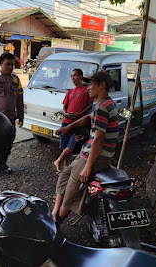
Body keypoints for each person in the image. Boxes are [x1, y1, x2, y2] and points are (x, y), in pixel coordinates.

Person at [51, 71, 119, 224]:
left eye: (92, 85)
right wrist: (68, 128)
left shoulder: (103, 107)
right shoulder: (104, 103)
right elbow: (89, 117)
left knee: (71, 191)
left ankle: (56, 222)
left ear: (102, 85)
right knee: (64, 175)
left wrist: (88, 168)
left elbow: (99, 139)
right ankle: (54, 213)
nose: (88, 88)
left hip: (96, 157)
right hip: (87, 153)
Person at [0, 52, 24, 177]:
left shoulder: (16, 80)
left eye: (12, 65)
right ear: (1, 64)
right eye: (7, 64)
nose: (10, 67)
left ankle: (3, 165)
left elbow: (19, 99)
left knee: (7, 144)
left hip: (10, 119)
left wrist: (21, 116)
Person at [53, 69, 93, 174]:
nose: (73, 78)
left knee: (72, 144)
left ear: (80, 76)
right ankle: (65, 167)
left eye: (75, 75)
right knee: (64, 145)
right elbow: (64, 106)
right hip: (66, 121)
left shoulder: (87, 90)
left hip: (79, 122)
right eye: (71, 76)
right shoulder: (70, 92)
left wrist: (79, 114)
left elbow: (89, 105)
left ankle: (58, 160)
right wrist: (65, 113)